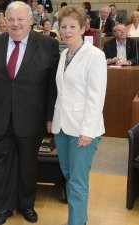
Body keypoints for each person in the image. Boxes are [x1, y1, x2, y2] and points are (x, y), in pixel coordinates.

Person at [0, 1, 59, 224]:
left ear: (31, 20)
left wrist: (51, 116)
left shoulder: (48, 45)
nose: (15, 23)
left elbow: (53, 85)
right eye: (10, 19)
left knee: (28, 164)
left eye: (20, 19)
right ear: (4, 21)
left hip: (32, 117)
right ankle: (5, 206)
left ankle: (26, 205)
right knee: (4, 163)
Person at [52, 5, 107, 225]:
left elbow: (96, 97)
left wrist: (87, 131)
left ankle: (76, 222)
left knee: (77, 182)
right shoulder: (64, 53)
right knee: (70, 177)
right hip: (62, 128)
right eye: (63, 26)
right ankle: (80, 219)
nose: (67, 31)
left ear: (83, 28)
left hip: (84, 130)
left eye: (72, 26)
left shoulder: (95, 55)